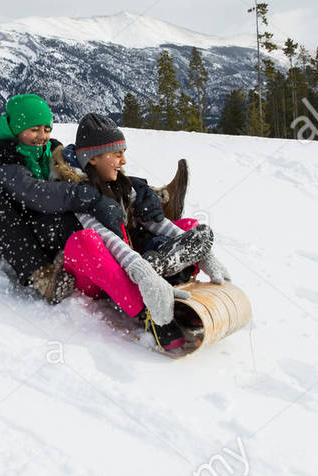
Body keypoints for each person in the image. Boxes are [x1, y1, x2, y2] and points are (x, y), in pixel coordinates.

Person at [52, 113, 231, 351]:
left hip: (130, 261)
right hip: (95, 276)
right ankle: (148, 311)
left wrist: (202, 252)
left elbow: (154, 222)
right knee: (85, 241)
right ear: (93, 158)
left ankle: (174, 288)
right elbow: (107, 238)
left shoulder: (119, 183)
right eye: (117, 154)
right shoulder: (74, 191)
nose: (124, 160)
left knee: (188, 225)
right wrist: (141, 271)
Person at [0, 94, 123, 303]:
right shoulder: (2, 154)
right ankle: (41, 275)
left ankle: (112, 258)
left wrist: (127, 191)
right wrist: (90, 197)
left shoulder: (45, 150)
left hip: (13, 221)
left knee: (61, 205)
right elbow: (37, 194)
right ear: (17, 130)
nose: (42, 136)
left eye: (46, 129)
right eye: (34, 129)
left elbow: (76, 174)